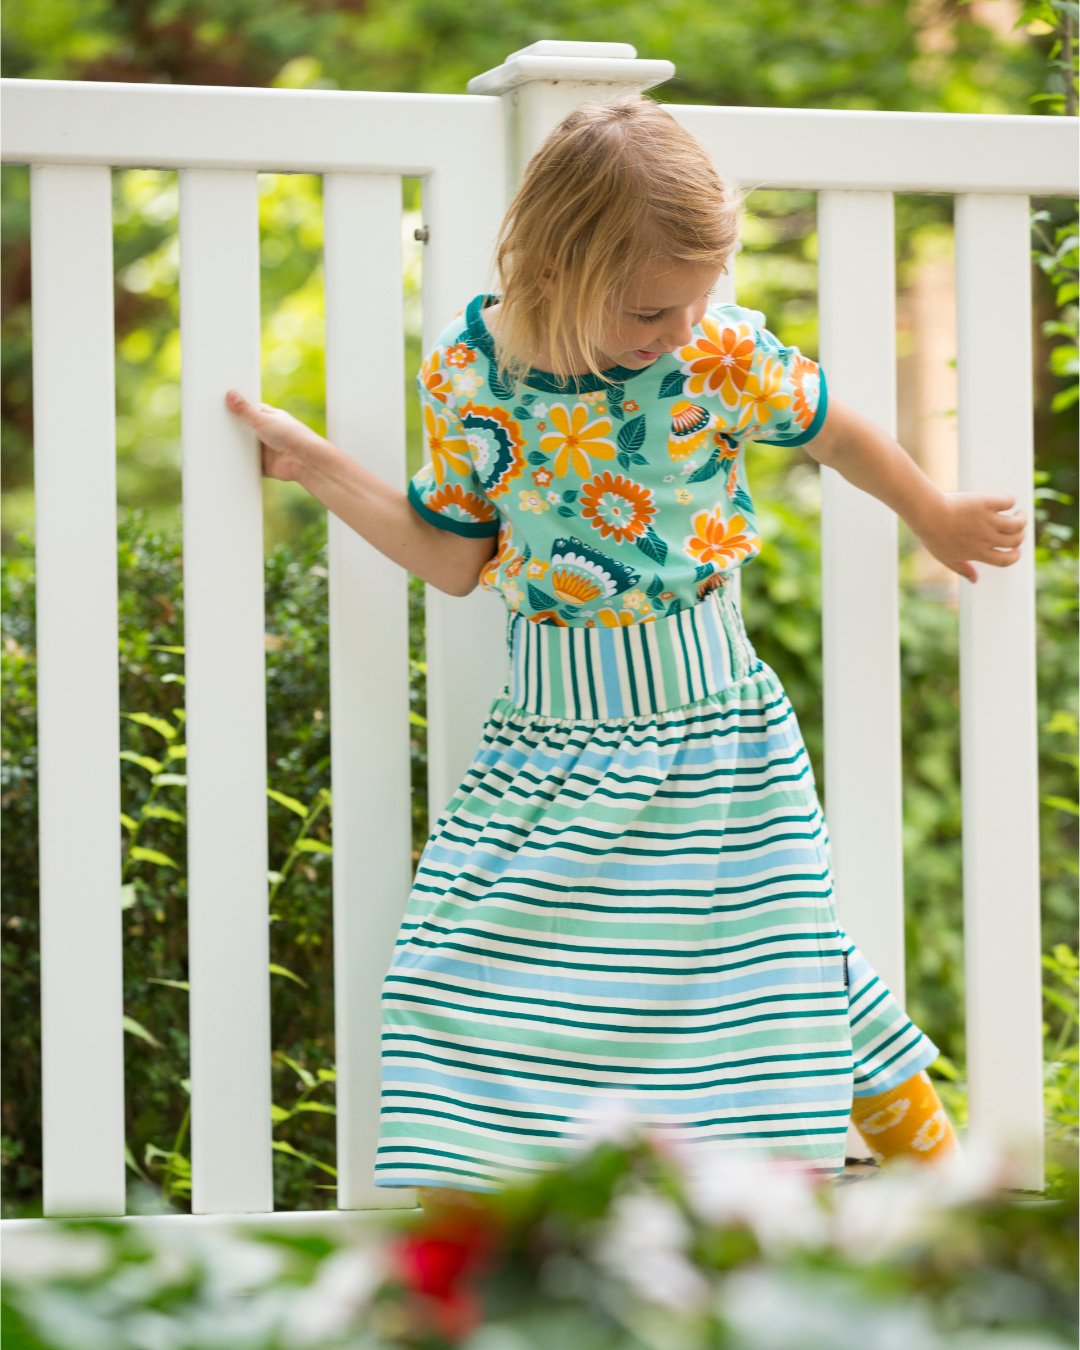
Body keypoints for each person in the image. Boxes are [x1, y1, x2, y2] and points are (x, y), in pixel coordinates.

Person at [224, 97, 1026, 1213]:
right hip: (545, 751)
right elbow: (455, 558)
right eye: (653, 306)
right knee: (442, 987)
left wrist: (933, 512)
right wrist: (320, 469)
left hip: (714, 735)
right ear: (556, 265)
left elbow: (833, 424)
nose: (680, 328)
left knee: (774, 987)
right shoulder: (471, 373)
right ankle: (499, 1258)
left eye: (697, 300)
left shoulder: (716, 353)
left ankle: (954, 1215)